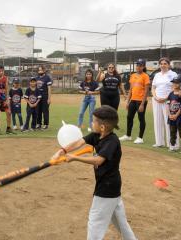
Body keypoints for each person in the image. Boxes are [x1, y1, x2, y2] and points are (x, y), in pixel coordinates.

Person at [52, 105, 137, 240]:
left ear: (102, 127)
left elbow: (98, 160)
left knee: (95, 222)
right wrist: (62, 151)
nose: (92, 123)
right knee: (121, 223)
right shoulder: (97, 135)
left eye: (94, 121)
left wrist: (75, 158)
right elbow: (79, 142)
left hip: (107, 186)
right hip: (110, 185)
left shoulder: (112, 141)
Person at [119, 59, 150, 144]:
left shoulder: (145, 76)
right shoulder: (132, 76)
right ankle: (128, 136)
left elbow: (147, 91)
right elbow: (131, 89)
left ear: (143, 66)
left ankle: (140, 137)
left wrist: (142, 104)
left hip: (141, 101)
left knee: (141, 118)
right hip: (133, 100)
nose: (138, 67)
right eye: (137, 65)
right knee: (129, 117)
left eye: (140, 65)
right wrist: (128, 102)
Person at [151, 57, 178, 148]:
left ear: (169, 65)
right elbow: (153, 87)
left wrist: (166, 97)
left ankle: (172, 144)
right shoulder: (157, 75)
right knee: (157, 121)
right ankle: (159, 142)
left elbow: (175, 87)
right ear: (159, 65)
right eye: (161, 64)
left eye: (165, 63)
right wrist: (155, 97)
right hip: (156, 100)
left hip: (168, 101)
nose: (163, 65)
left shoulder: (173, 74)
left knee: (169, 121)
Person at [166, 77, 181, 153]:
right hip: (171, 116)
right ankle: (173, 145)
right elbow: (168, 105)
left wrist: (176, 115)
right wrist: (169, 114)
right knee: (172, 131)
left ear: (180, 84)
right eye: (174, 82)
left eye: (177, 83)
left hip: (179, 117)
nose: (175, 84)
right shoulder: (171, 94)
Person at [0, 65, 14, 134]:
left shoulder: (5, 78)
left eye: (2, 71)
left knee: (9, 112)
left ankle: (8, 128)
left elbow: (7, 89)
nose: (1, 72)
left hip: (4, 98)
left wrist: (7, 99)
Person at [36, 65, 52, 130]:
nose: (40, 71)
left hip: (45, 96)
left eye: (41, 70)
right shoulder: (37, 78)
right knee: (38, 110)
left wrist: (49, 98)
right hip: (38, 97)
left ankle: (46, 124)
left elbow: (49, 88)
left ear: (44, 70)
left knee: (45, 111)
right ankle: (38, 123)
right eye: (39, 70)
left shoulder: (47, 78)